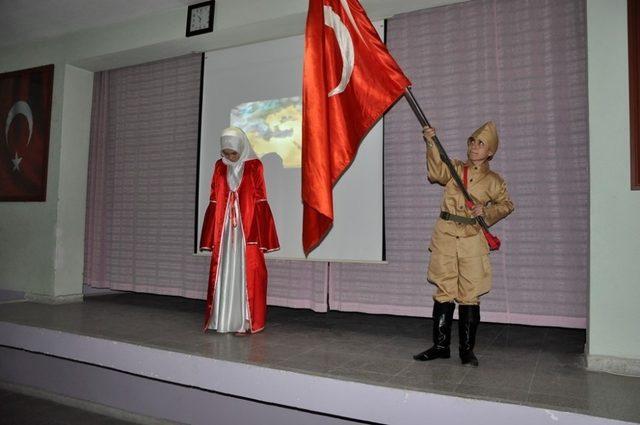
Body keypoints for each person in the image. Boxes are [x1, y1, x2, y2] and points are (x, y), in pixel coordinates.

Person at [413, 122, 514, 366]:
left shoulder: (494, 180)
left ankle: (466, 351)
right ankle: (440, 346)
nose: (474, 147)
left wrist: (486, 212)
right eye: (472, 141)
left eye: (481, 144)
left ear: (490, 151)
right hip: (446, 234)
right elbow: (436, 173)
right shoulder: (456, 168)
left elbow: (507, 204)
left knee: (470, 294)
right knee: (444, 290)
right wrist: (430, 142)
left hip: (471, 238)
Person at [200, 126, 279, 334]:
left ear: (242, 148)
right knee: (224, 269)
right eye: (225, 153)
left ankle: (246, 320)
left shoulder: (254, 167)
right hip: (225, 230)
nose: (229, 157)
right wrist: (210, 234)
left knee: (248, 273)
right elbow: (215, 198)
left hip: (247, 230)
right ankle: (222, 319)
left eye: (233, 153)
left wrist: (263, 235)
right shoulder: (219, 166)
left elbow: (260, 199)